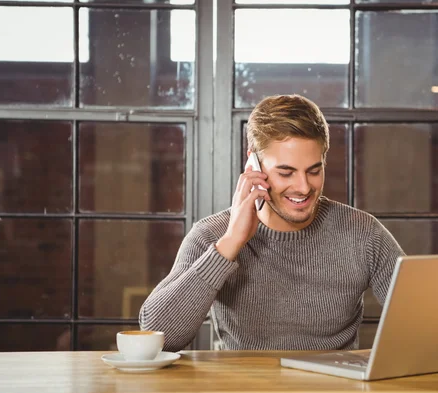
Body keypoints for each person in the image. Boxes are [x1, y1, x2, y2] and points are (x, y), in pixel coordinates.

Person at [139, 94, 405, 352]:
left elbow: (425, 323)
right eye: (285, 172)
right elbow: (157, 337)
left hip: (333, 392)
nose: (303, 187)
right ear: (253, 164)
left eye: (314, 170)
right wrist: (231, 243)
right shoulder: (213, 234)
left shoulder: (362, 233)